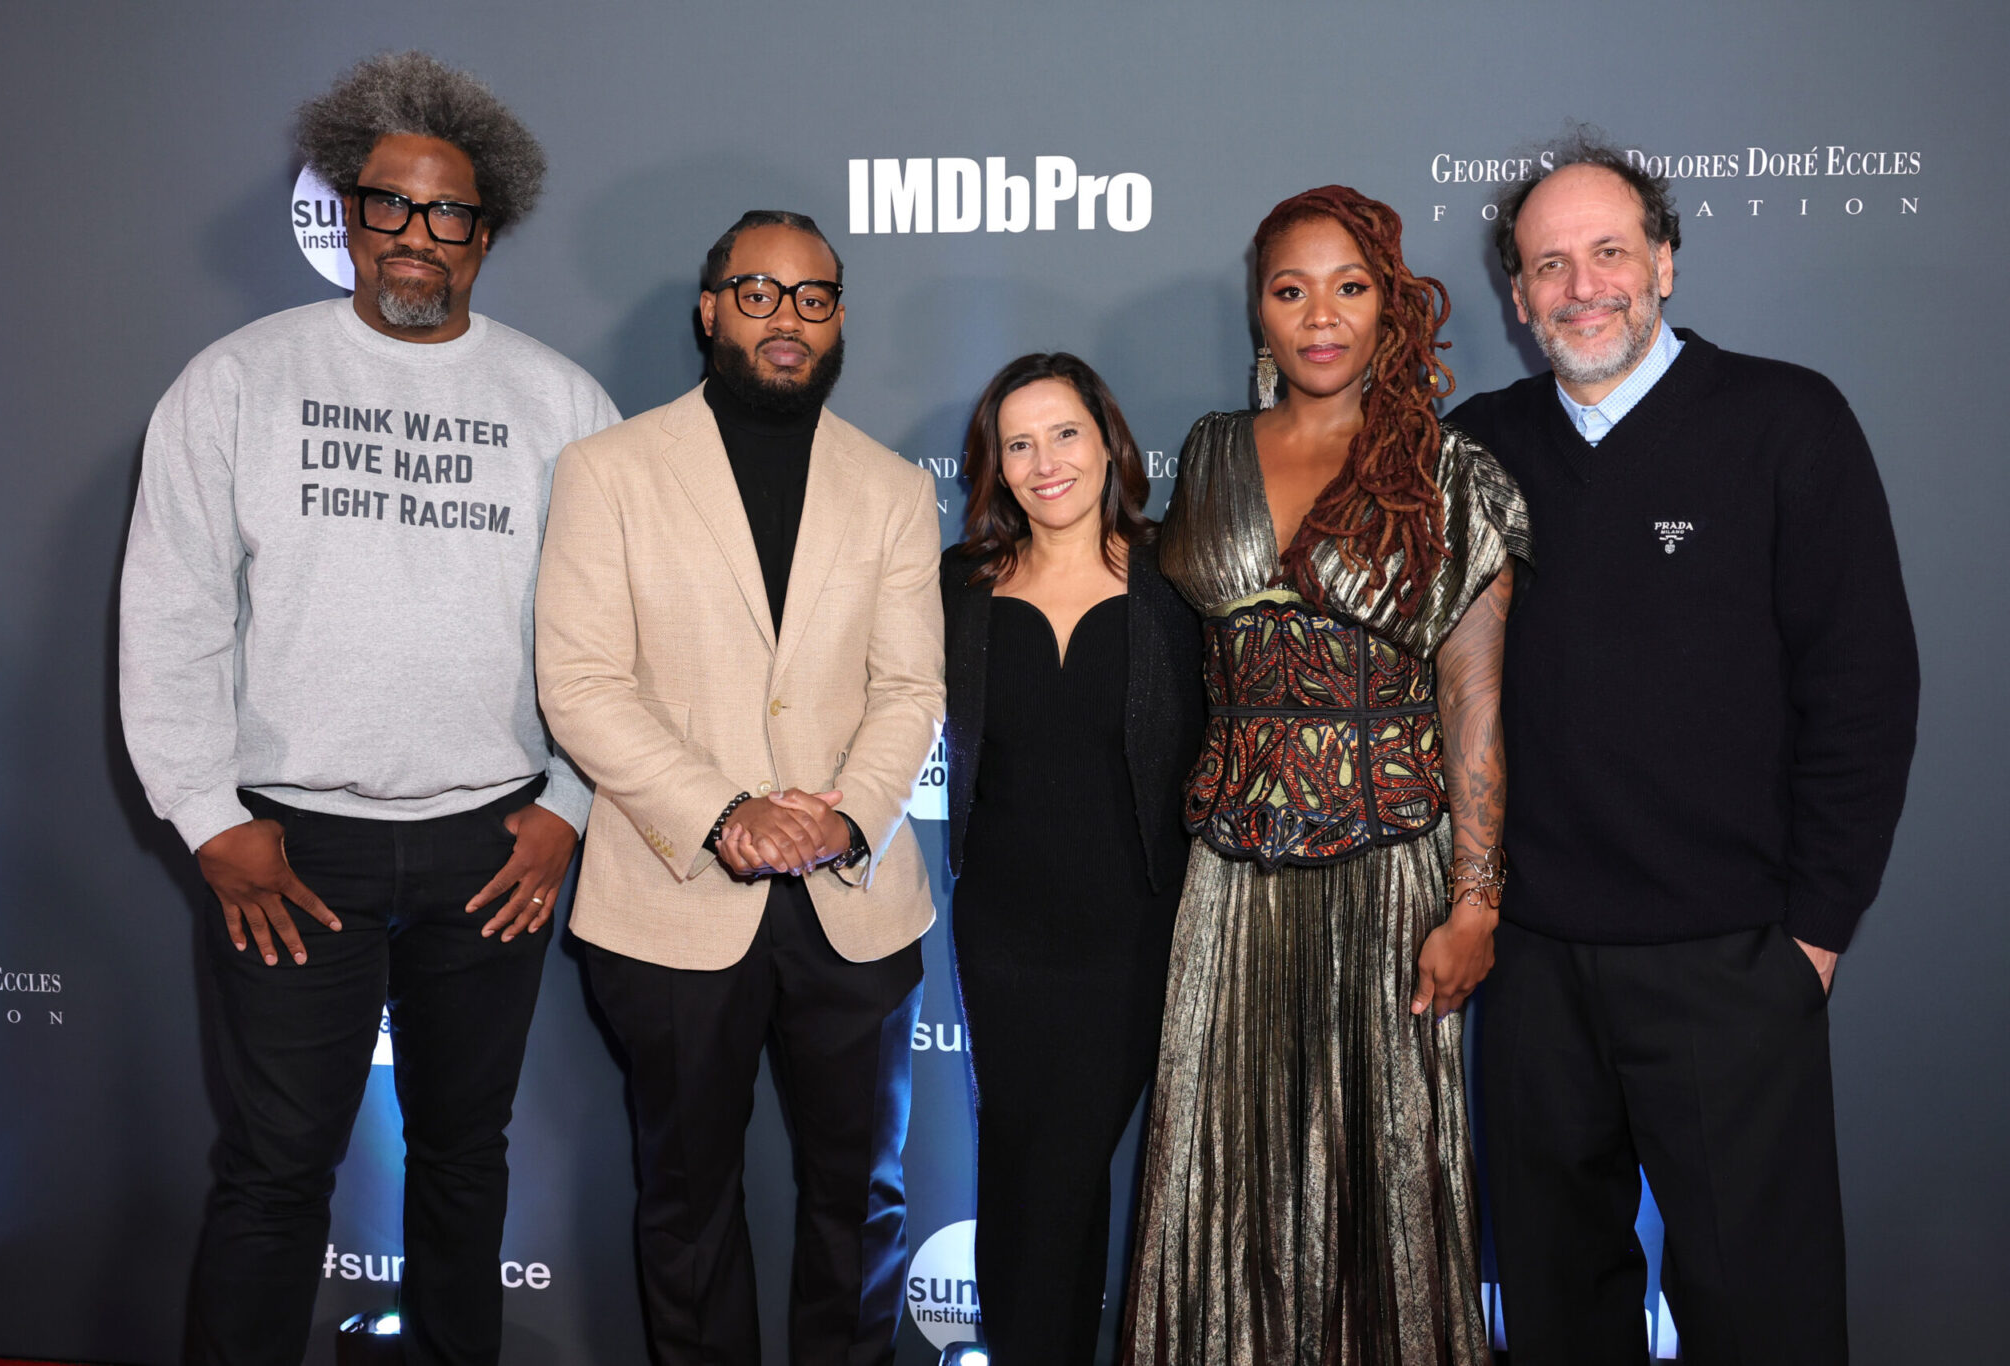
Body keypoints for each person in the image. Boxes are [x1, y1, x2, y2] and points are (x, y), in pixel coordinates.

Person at [118, 52, 619, 1366]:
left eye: (446, 213)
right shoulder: (236, 382)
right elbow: (171, 614)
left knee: (466, 1155)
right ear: (345, 215)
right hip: (290, 850)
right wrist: (208, 817)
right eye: (387, 205)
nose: (415, 235)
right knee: (277, 1169)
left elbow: (609, 637)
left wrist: (568, 806)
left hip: (492, 847)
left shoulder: (562, 405)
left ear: (485, 234)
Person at [1448, 135, 1918, 1366]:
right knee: (1551, 1315)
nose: (1581, 284)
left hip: (1728, 966)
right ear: (1515, 296)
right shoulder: (1475, 446)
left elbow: (1862, 692)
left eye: (1609, 251)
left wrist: (1809, 937)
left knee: (1761, 1316)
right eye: (1549, 264)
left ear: (1664, 263)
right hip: (1531, 967)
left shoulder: (1784, 420)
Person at [1122, 186, 1529, 1366]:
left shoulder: (1451, 475)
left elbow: (1473, 701)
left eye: (1347, 287)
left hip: (1391, 866)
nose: (1317, 315)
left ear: (1389, 303)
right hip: (1231, 876)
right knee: (1219, 1169)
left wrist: (1474, 898)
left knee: (1384, 1188)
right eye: (1289, 288)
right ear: (1257, 307)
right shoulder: (1205, 453)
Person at [534, 210, 943, 1366]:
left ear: (839, 321)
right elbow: (579, 679)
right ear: (709, 306)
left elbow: (910, 684)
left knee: (856, 1204)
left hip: (852, 907)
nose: (786, 318)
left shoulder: (893, 489)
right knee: (686, 1204)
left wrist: (844, 814)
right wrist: (725, 814)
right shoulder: (607, 471)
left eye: (813, 298)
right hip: (668, 905)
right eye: (757, 292)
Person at [940, 353, 1203, 1364]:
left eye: (1063, 434)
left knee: (1067, 1162)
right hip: (1001, 934)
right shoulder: (956, 586)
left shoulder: (1174, 582)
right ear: (994, 466)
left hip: (1132, 931)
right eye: (1017, 443)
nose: (1044, 461)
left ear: (1107, 442)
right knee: (1019, 1162)